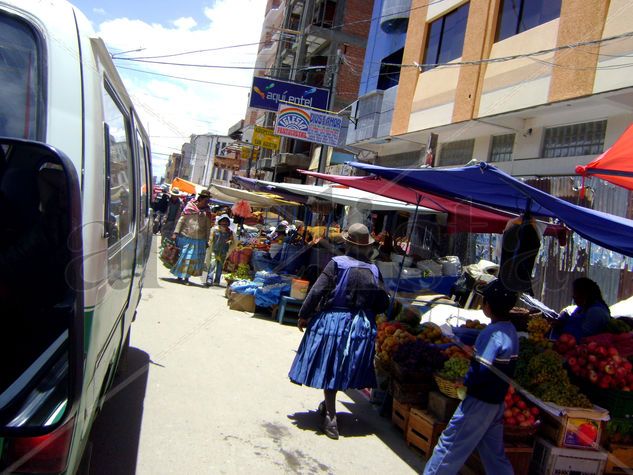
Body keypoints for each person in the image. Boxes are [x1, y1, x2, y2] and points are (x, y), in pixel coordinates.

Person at [288, 223, 390, 440]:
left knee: (332, 368)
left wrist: (304, 314)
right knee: (342, 368)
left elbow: (317, 291)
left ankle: (331, 418)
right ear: (367, 248)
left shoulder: (336, 264)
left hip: (334, 324)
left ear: (346, 243)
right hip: (361, 328)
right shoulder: (374, 270)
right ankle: (328, 406)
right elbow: (382, 303)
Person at [423, 279, 518, 475]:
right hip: (496, 403)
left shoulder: (491, 333)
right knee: (494, 455)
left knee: (449, 446)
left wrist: (464, 381)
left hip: (479, 402)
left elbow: (482, 370)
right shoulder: (511, 331)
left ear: (488, 307)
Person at [170, 189, 213, 285]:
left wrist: (207, 241)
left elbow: (207, 227)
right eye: (206, 200)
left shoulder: (207, 212)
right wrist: (175, 232)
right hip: (185, 236)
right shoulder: (190, 207)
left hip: (199, 239)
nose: (207, 202)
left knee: (191, 259)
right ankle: (180, 275)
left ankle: (186, 277)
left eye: (208, 201)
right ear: (200, 199)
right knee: (183, 257)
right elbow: (181, 220)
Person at [206, 214, 233, 287]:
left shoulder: (230, 231)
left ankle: (217, 280)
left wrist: (230, 241)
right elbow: (211, 238)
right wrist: (208, 243)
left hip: (224, 251)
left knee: (220, 267)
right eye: (223, 221)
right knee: (212, 265)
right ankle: (209, 279)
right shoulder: (215, 229)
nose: (224, 223)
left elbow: (231, 239)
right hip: (215, 250)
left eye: (226, 222)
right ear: (220, 222)